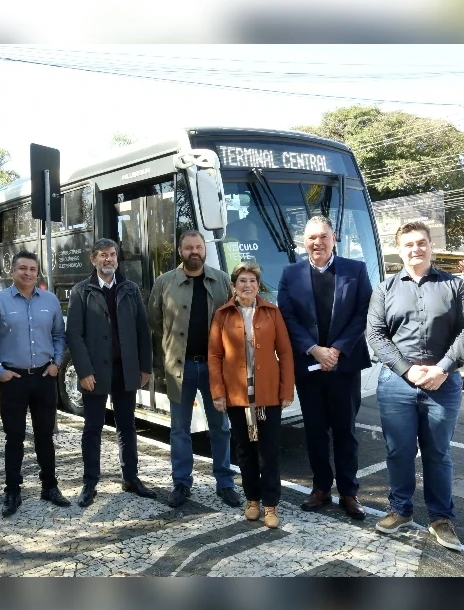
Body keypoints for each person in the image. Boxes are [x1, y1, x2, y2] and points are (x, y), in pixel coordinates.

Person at [366, 220, 464, 551]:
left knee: (438, 453)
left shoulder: (455, 286)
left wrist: (443, 368)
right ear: (399, 250)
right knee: (398, 450)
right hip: (397, 384)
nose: (416, 249)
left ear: (430, 246)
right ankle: (400, 510)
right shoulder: (385, 289)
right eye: (409, 244)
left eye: (421, 242)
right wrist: (406, 370)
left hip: (443, 382)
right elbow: (376, 335)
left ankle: (441, 519)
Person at [276, 215, 372, 520]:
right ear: (303, 242)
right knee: (315, 431)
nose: (317, 242)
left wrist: (336, 350)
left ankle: (349, 492)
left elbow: (363, 312)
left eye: (323, 236)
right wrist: (314, 349)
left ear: (334, 239)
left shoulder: (355, 270)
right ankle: (320, 488)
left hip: (345, 365)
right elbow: (287, 317)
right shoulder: (290, 274)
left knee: (345, 431)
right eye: (311, 237)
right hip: (308, 365)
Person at [148, 229, 241, 509]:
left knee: (220, 427)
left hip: (215, 368)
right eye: (189, 248)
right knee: (179, 429)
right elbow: (154, 321)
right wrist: (167, 354)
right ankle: (181, 483)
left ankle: (225, 483)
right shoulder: (164, 282)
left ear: (205, 248)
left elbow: (234, 319)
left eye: (198, 247)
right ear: (180, 251)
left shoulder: (221, 280)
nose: (194, 252)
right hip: (180, 367)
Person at [0, 250, 71, 517]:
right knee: (14, 437)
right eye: (22, 268)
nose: (28, 273)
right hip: (13, 380)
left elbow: (59, 335)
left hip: (44, 377)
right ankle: (12, 491)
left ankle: (49, 486)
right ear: (13, 271)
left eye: (32, 269)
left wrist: (56, 363)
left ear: (37, 272)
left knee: (45, 436)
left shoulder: (50, 300)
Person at [66, 238, 156, 508]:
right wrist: (84, 371)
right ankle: (90, 483)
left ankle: (131, 477)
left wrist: (144, 367)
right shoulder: (82, 291)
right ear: (93, 260)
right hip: (95, 373)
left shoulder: (130, 289)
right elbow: (74, 335)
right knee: (93, 427)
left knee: (127, 426)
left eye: (113, 254)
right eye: (103, 255)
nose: (109, 259)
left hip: (126, 371)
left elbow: (142, 330)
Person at [208, 262, 294, 528]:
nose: (248, 285)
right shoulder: (223, 314)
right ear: (233, 285)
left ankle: (271, 505)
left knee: (268, 452)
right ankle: (252, 500)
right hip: (237, 396)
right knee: (244, 451)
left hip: (267, 395)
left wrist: (286, 390)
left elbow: (285, 352)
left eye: (252, 281)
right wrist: (218, 393)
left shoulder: (271, 312)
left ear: (258, 285)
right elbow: (214, 355)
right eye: (242, 281)